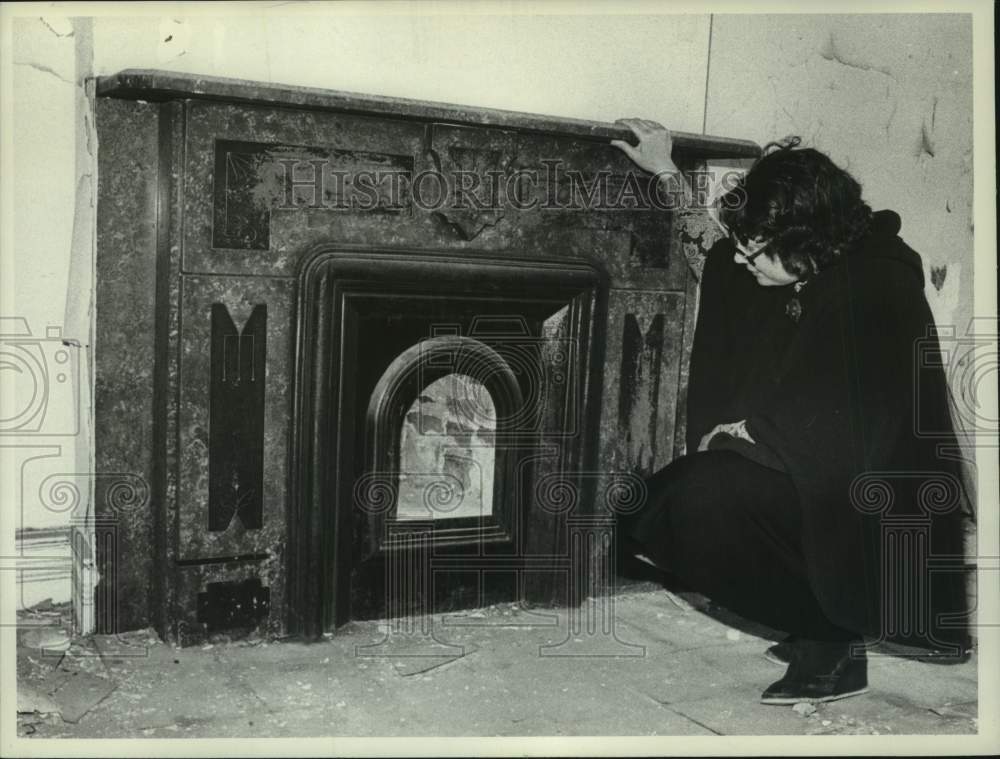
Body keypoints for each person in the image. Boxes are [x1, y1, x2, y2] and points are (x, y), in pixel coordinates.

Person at [611, 119, 972, 704]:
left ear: (803, 243)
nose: (744, 260)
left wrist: (747, 433)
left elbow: (850, 424)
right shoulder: (814, 258)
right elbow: (721, 256)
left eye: (757, 249)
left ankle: (829, 636)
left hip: (871, 503)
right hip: (813, 479)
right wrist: (666, 173)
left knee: (691, 502)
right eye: (748, 244)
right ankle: (816, 613)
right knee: (661, 509)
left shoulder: (876, 287)